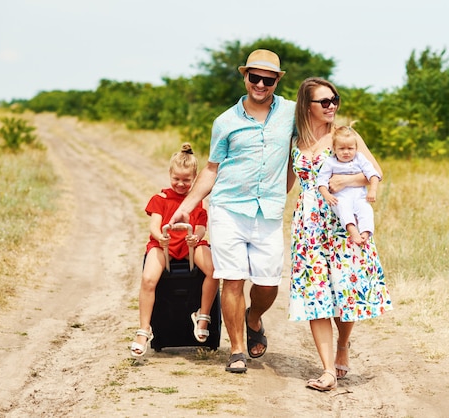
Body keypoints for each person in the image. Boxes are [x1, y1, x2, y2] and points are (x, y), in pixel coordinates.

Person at [168, 49, 296, 373]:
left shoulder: (293, 114)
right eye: (255, 77)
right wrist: (187, 206)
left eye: (269, 80)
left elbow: (314, 144)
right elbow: (211, 169)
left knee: (268, 284)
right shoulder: (225, 122)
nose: (261, 85)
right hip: (227, 208)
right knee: (233, 280)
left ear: (277, 81)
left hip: (267, 211)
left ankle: (254, 318)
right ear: (245, 76)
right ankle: (237, 350)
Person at [289, 77, 393, 391]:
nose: (331, 106)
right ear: (307, 106)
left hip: (342, 223)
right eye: (324, 101)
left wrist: (344, 183)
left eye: (334, 99)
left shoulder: (345, 136)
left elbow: (375, 172)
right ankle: (327, 371)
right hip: (308, 227)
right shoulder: (296, 141)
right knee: (315, 295)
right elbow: (287, 183)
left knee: (345, 291)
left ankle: (343, 345)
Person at [130, 143, 217, 358]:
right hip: (164, 244)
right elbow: (154, 226)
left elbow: (201, 228)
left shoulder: (197, 201)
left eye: (186, 180)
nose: (180, 184)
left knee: (214, 270)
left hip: (189, 244)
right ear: (170, 174)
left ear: (195, 178)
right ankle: (144, 330)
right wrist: (161, 237)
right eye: (176, 179)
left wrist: (195, 237)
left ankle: (203, 314)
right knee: (148, 279)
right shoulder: (161, 199)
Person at [317, 121, 382, 245]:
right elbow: (321, 181)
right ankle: (353, 231)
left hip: (360, 196)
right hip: (341, 197)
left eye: (350, 148)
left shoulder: (360, 158)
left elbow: (373, 174)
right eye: (341, 149)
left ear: (356, 148)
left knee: (366, 211)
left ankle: (365, 233)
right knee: (343, 209)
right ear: (334, 149)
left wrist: (373, 190)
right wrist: (327, 195)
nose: (346, 152)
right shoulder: (331, 162)